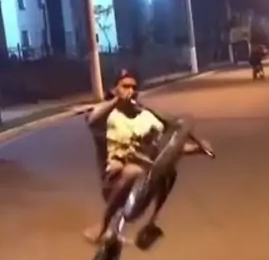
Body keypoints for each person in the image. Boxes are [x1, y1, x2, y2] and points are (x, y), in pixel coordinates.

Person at [82, 69, 211, 249]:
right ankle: (103, 225)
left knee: (169, 171)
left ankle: (152, 222)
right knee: (132, 171)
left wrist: (198, 149)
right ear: (114, 89)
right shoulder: (107, 117)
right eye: (125, 86)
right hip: (114, 183)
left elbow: (167, 150)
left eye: (133, 87)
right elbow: (92, 121)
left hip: (142, 187)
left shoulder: (147, 118)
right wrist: (116, 101)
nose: (130, 90)